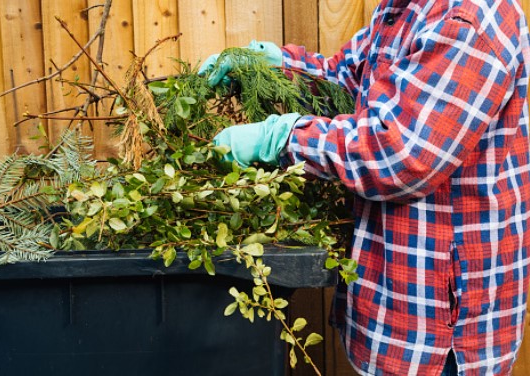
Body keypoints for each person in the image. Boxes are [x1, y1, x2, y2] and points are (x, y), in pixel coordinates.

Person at [199, 0, 530, 375]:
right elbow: (351, 83)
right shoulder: (403, 7)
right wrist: (273, 67)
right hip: (389, 293)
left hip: (440, 326)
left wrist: (282, 138)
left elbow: (401, 155)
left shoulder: (471, 18)